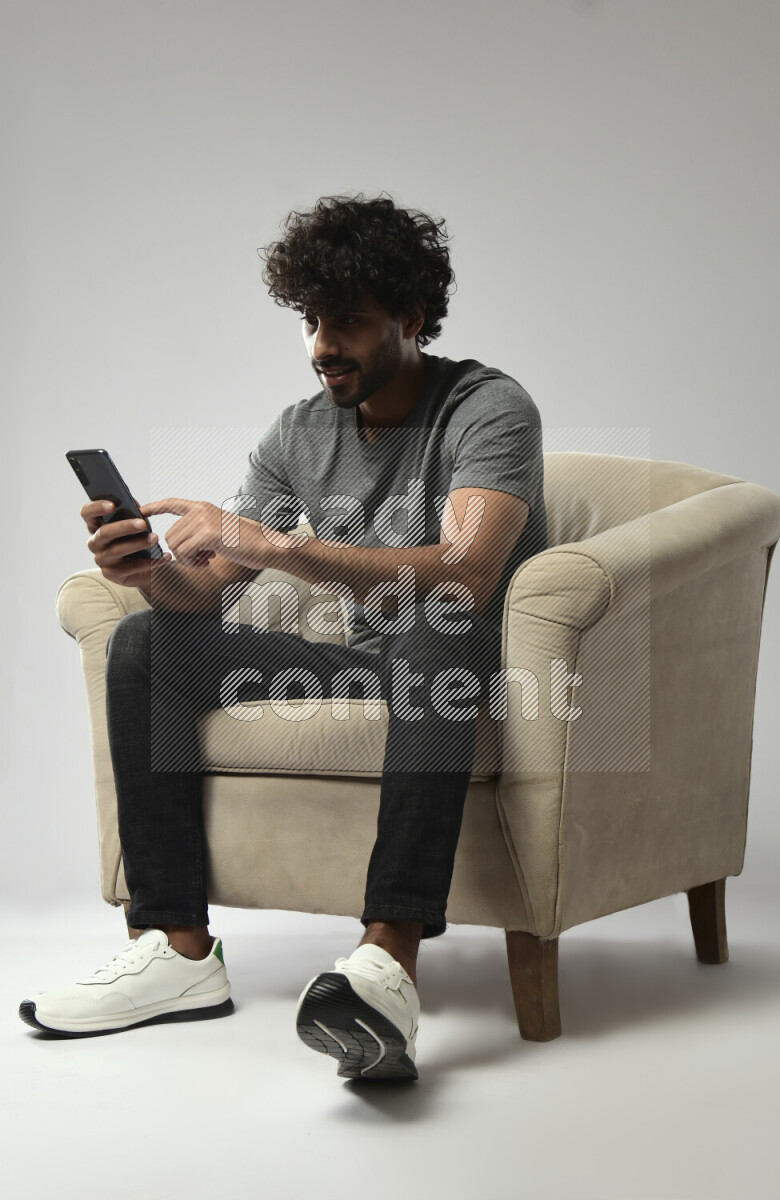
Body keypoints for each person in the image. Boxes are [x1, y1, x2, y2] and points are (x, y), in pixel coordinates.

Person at [19, 194, 547, 1081]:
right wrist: (148, 570)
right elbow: (209, 594)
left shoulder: (488, 409)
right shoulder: (298, 431)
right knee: (151, 645)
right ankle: (178, 951)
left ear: (411, 319)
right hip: (363, 660)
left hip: (463, 664)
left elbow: (466, 573)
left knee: (433, 633)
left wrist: (279, 545)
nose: (321, 346)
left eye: (348, 321)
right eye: (310, 321)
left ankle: (387, 966)